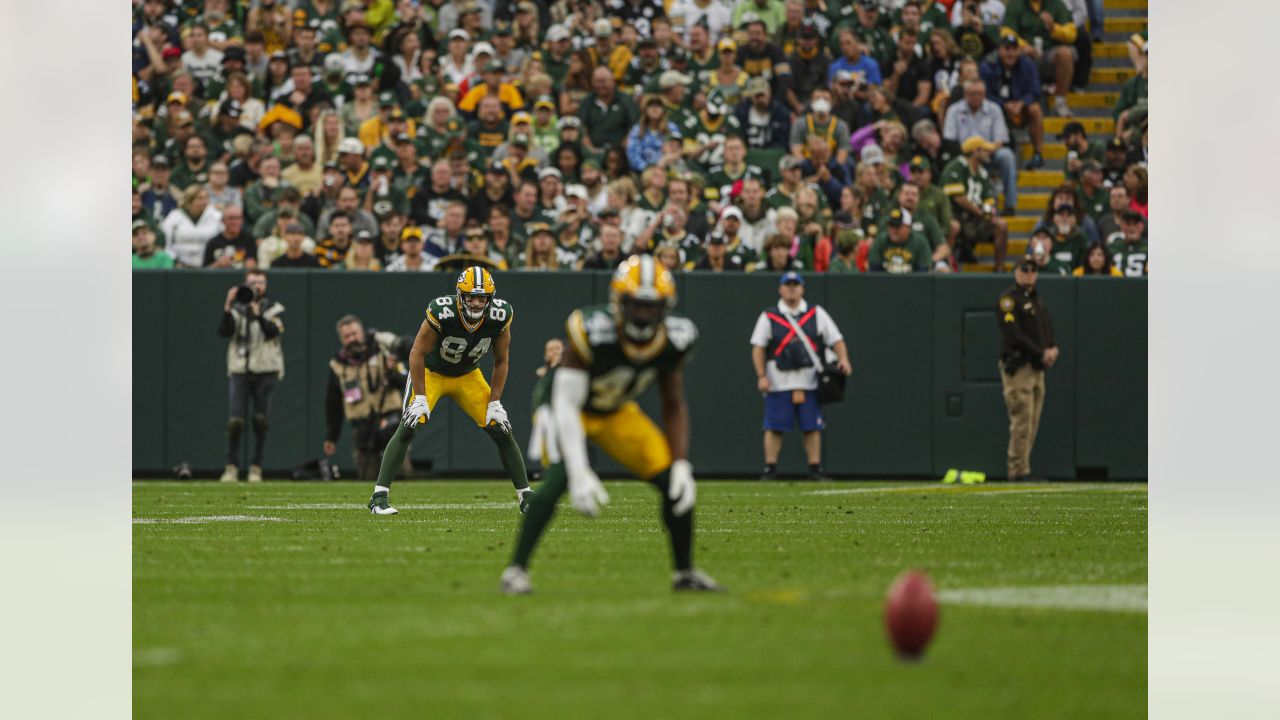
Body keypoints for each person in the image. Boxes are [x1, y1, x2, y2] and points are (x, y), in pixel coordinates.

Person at [500, 255, 721, 595]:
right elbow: (566, 402)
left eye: (652, 306)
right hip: (563, 406)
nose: (644, 315)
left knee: (672, 481)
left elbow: (673, 404)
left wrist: (680, 461)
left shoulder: (676, 338)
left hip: (615, 410)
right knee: (560, 476)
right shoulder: (593, 330)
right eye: (637, 305)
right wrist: (579, 469)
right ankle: (516, 571)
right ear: (619, 302)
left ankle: (684, 573)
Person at [369, 267, 534, 515]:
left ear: (490, 299)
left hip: (468, 375)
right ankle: (378, 496)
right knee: (410, 424)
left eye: (482, 298)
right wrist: (421, 397)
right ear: (460, 296)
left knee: (500, 427)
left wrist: (495, 402)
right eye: (471, 297)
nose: (476, 303)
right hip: (431, 373)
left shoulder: (501, 315)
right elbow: (416, 353)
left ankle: (526, 496)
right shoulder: (442, 311)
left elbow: (501, 361)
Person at [750, 270, 852, 480]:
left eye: (796, 285)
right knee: (774, 426)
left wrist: (844, 359)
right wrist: (761, 376)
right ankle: (770, 468)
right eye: (788, 285)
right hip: (779, 380)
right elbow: (758, 347)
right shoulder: (769, 316)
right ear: (780, 288)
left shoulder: (816, 313)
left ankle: (815, 468)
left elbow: (836, 339)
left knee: (812, 426)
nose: (792, 289)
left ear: (802, 288)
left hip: (810, 379)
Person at [217, 270, 285, 483]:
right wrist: (228, 305)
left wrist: (258, 314)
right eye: (252, 283)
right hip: (240, 369)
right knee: (236, 421)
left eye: (261, 282)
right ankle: (231, 467)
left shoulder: (273, 308)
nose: (257, 286)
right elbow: (224, 331)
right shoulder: (237, 309)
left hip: (266, 369)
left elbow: (273, 331)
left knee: (260, 421)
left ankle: (256, 467)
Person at [324, 316, 409, 480]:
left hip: (390, 421)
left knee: (400, 473)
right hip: (362, 426)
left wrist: (391, 372)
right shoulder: (338, 365)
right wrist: (331, 437)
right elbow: (333, 404)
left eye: (354, 334)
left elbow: (406, 382)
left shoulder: (383, 352)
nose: (352, 339)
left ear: (362, 333)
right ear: (341, 339)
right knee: (367, 477)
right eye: (346, 336)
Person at [998, 257, 1059, 482]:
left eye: (1033, 270)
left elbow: (1047, 328)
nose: (1029, 274)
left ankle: (1023, 467)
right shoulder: (1008, 300)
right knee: (1022, 418)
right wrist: (1040, 352)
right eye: (1024, 270)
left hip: (1036, 367)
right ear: (1015, 272)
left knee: (1032, 420)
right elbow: (1014, 334)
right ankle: (1017, 470)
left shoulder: (1036, 300)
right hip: (1020, 365)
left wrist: (1052, 347)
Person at [1108, 209, 1148, 277]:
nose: (1132, 228)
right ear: (1122, 226)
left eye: (1135, 224)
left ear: (1142, 226)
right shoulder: (1111, 247)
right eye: (1128, 224)